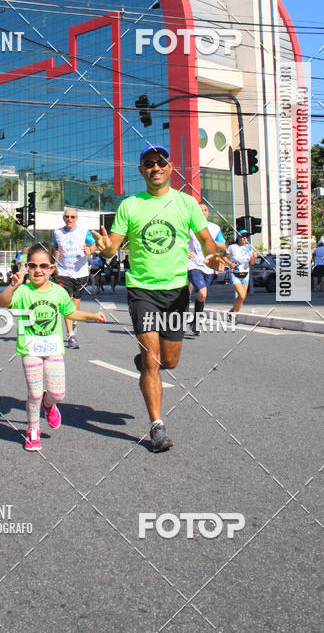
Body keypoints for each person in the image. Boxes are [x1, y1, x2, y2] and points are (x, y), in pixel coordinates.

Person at [92, 144, 220, 453]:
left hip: (176, 292)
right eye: (149, 163)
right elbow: (113, 249)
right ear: (141, 170)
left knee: (170, 362)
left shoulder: (186, 203)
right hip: (142, 291)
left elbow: (206, 240)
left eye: (161, 162)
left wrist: (214, 256)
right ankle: (157, 426)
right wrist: (107, 247)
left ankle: (147, 362)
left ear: (171, 166)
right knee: (152, 361)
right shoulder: (131, 205)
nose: (156, 167)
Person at [0, 241, 106, 451]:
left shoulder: (58, 292)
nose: (38, 270)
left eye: (43, 266)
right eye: (33, 266)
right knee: (35, 393)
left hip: (53, 349)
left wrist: (92, 316)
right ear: (27, 268)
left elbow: (70, 313)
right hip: (30, 350)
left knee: (58, 393)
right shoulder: (23, 291)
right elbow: (2, 303)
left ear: (52, 268)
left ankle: (49, 405)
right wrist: (13, 285)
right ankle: (33, 431)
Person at [53, 208, 96, 349]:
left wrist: (90, 250)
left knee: (75, 304)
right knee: (67, 303)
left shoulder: (84, 231)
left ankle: (74, 319)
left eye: (72, 217)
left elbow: (93, 244)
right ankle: (71, 335)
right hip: (64, 272)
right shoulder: (57, 232)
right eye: (67, 216)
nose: (69, 219)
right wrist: (54, 253)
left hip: (81, 273)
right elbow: (54, 247)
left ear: (76, 218)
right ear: (63, 218)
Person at [188, 203, 233, 335]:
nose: (203, 212)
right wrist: (185, 252)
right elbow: (179, 241)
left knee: (203, 296)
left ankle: (195, 321)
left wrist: (211, 241)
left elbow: (223, 246)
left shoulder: (215, 228)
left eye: (206, 210)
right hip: (194, 264)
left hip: (209, 267)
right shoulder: (189, 227)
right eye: (200, 210)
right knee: (202, 292)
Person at [227, 230, 258, 313]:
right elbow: (223, 256)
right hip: (235, 273)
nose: (245, 238)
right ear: (238, 237)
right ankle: (234, 312)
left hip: (245, 274)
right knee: (241, 294)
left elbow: (252, 262)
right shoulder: (232, 247)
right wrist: (229, 263)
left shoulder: (249, 248)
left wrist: (254, 257)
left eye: (246, 236)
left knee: (242, 297)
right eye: (243, 236)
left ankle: (233, 311)